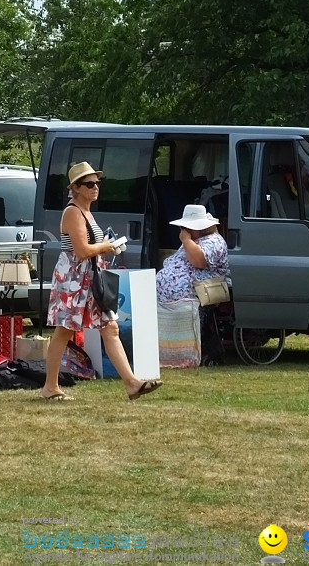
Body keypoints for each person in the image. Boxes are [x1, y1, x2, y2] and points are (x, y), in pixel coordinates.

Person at [41, 162, 162, 402]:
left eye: (97, 183)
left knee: (111, 327)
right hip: (74, 280)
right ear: (75, 188)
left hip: (90, 277)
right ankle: (50, 387)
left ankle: (132, 383)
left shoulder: (86, 212)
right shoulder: (73, 212)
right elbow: (82, 250)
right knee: (64, 331)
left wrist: (107, 246)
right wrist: (106, 246)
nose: (95, 187)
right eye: (89, 184)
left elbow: (89, 249)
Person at [155, 204, 230, 304]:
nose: (183, 231)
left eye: (186, 227)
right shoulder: (194, 241)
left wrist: (186, 240)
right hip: (169, 304)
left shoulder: (214, 241)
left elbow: (198, 261)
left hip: (191, 300)